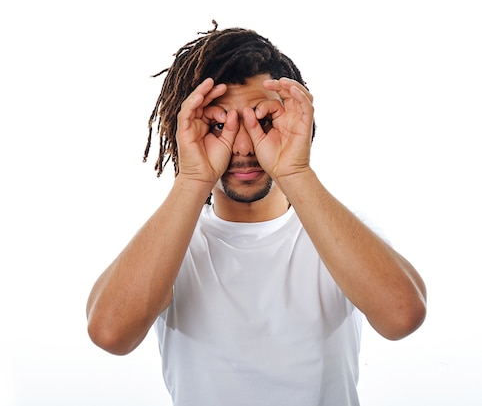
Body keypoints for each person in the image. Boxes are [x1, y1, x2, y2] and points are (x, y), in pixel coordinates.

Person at [86, 21, 427, 406]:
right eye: (217, 125)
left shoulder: (338, 232)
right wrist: (192, 178)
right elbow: (109, 333)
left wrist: (295, 172)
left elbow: (403, 315)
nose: (245, 145)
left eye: (264, 121)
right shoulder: (173, 244)